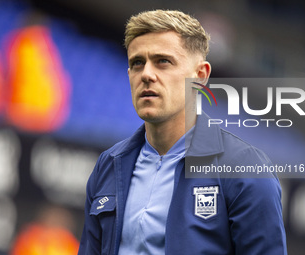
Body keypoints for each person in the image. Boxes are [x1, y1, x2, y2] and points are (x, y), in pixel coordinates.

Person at [78, 10, 287, 255]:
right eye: (137, 63)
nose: (146, 74)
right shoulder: (109, 165)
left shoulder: (245, 169)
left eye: (163, 61)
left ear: (200, 77)